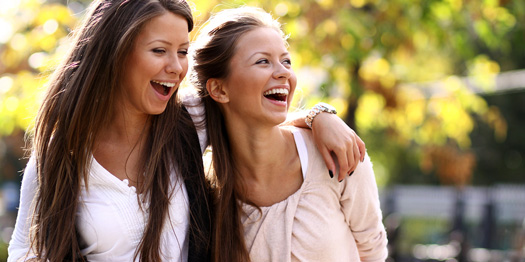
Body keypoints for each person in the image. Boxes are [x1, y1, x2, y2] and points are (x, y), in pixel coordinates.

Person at [8, 1, 366, 261]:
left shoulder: (186, 123)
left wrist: (321, 116)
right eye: (159, 50)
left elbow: (252, 106)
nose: (176, 68)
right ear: (115, 54)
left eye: (182, 52)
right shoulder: (61, 153)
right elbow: (27, 251)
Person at [190, 7, 388, 262]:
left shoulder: (336, 154)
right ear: (219, 89)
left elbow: (373, 252)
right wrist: (315, 115)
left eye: (286, 60)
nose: (283, 72)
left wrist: (319, 114)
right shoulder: (204, 188)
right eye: (263, 61)